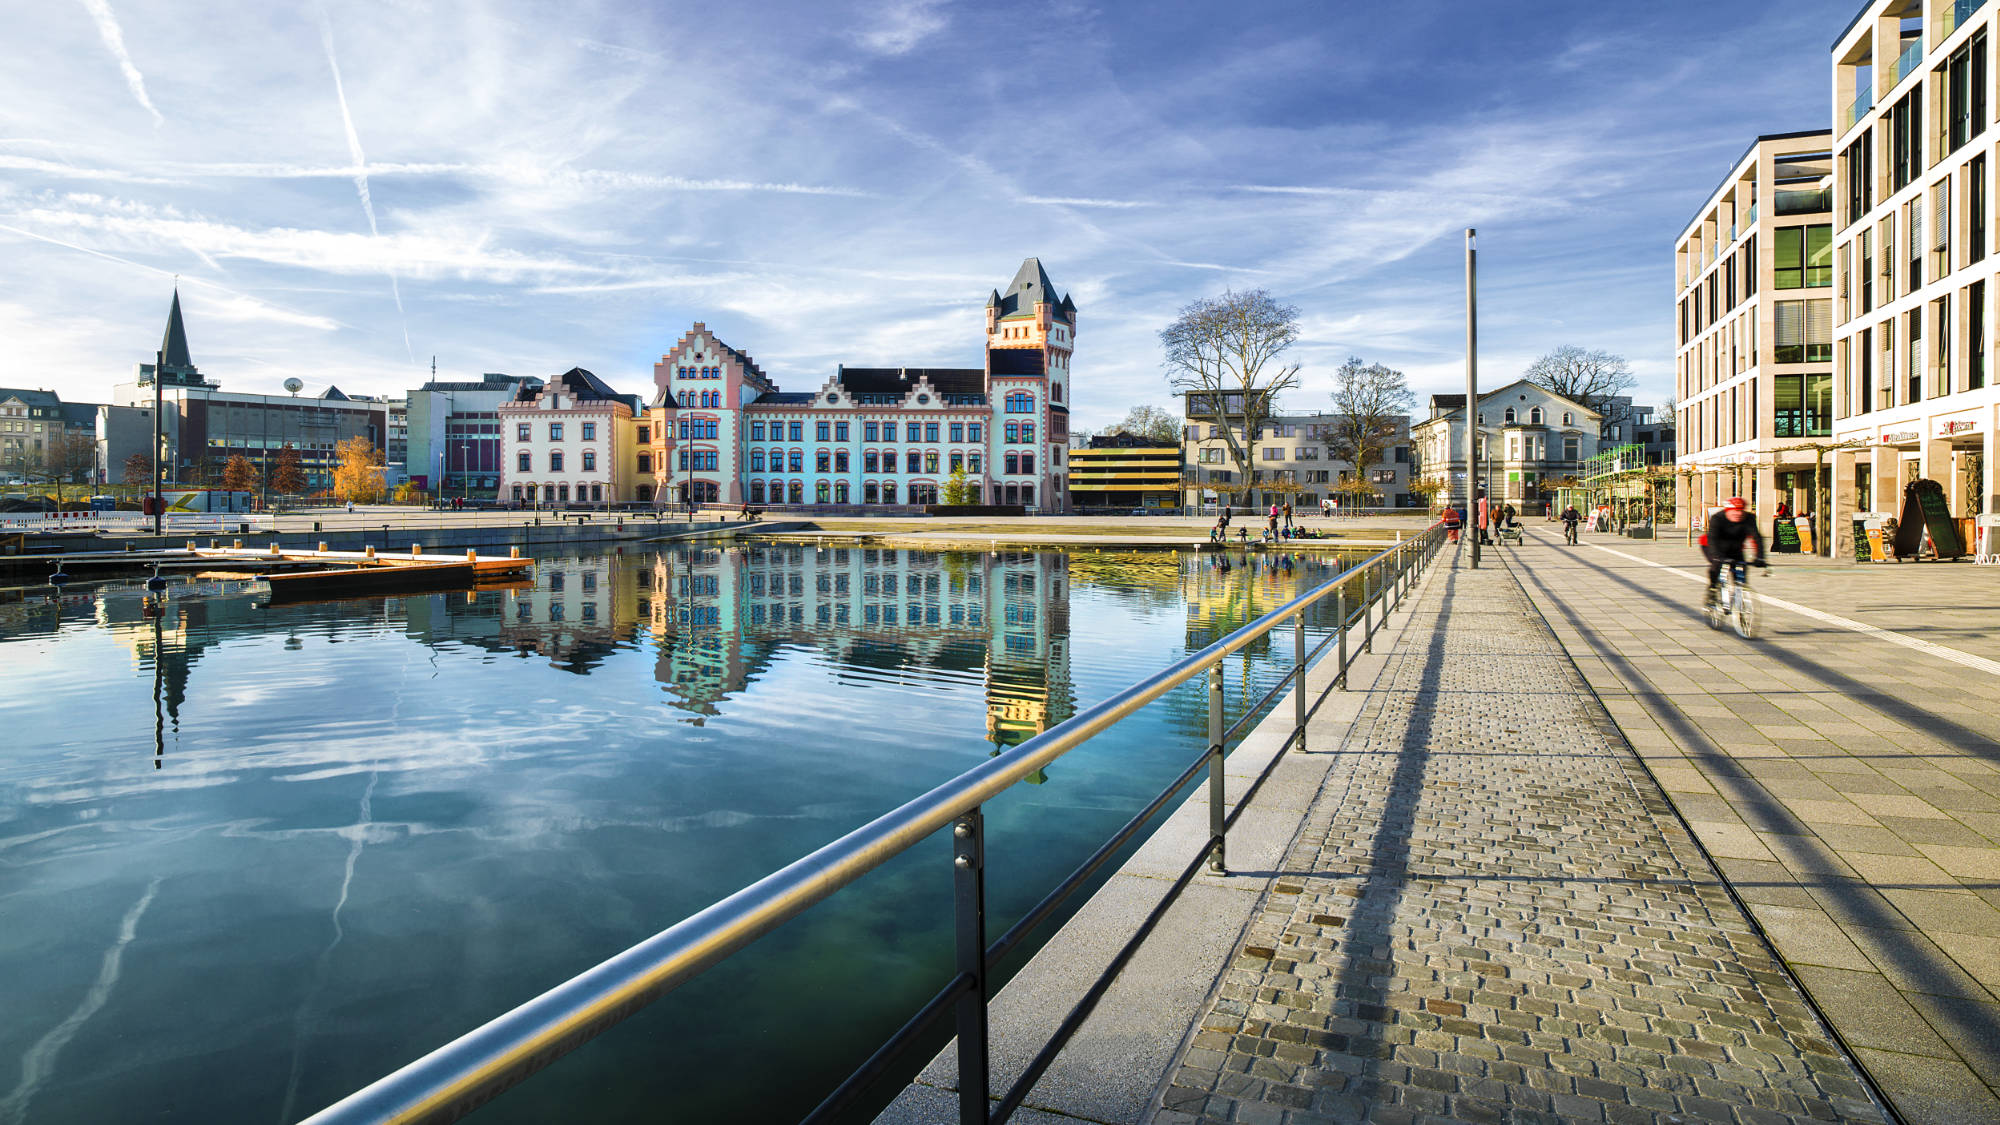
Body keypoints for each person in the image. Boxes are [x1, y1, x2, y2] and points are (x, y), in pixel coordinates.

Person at [1701, 496, 1767, 608]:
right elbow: (1712, 539)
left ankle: (1740, 597)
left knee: (1741, 570)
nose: (1738, 513)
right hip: (1712, 546)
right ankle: (1712, 589)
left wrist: (1760, 558)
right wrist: (1717, 556)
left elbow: (1757, 538)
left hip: (1736, 549)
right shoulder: (1717, 518)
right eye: (1734, 511)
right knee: (1717, 565)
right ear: (1727, 511)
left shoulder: (1749, 518)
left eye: (1741, 510)